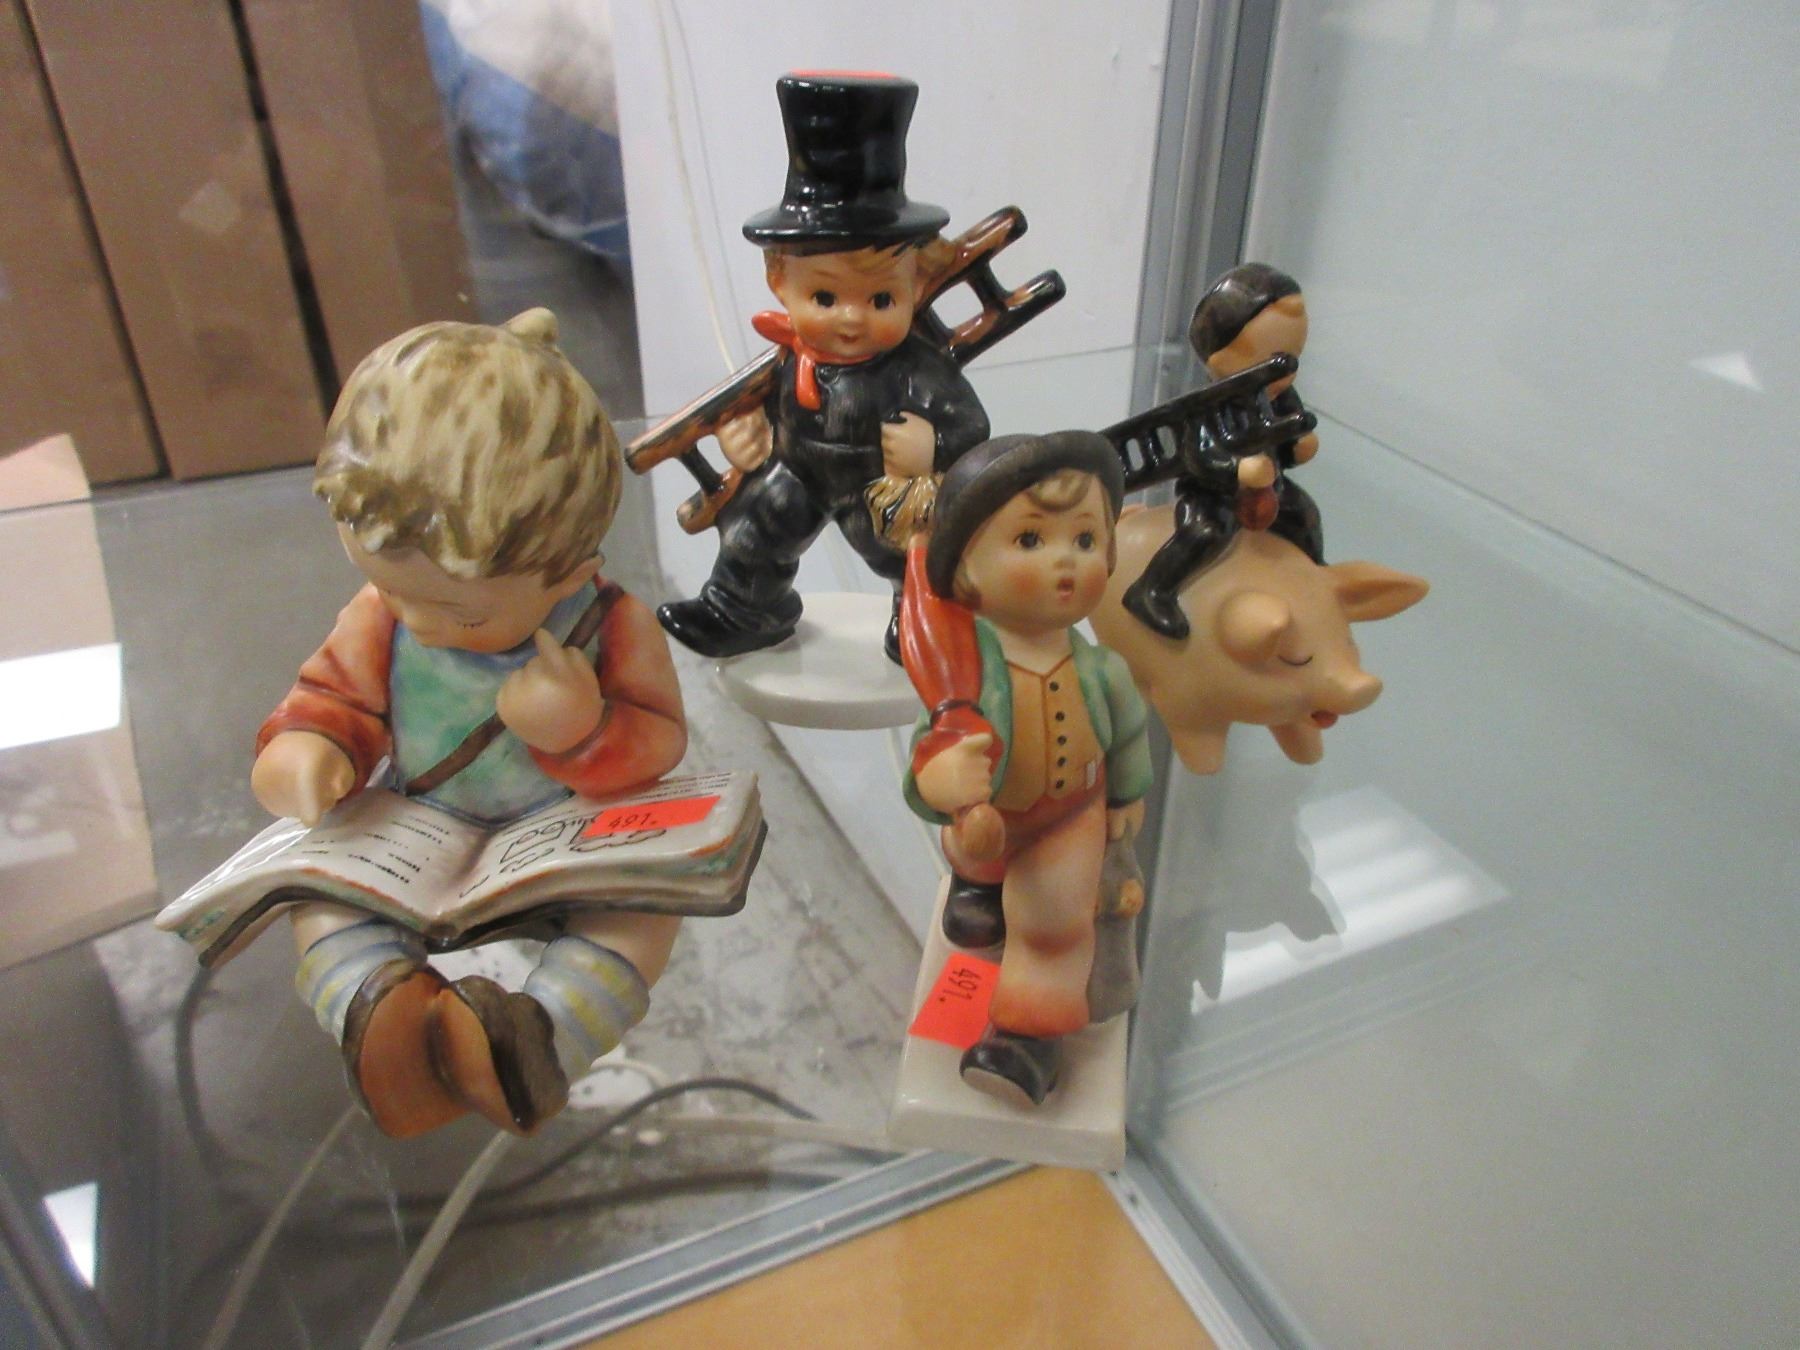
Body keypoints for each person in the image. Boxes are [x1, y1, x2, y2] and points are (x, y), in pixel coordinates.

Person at [250, 309, 689, 1138]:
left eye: (462, 613)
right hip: (421, 830)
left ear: (572, 573)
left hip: (566, 835)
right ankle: (387, 1018)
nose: (419, 622)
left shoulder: (610, 624)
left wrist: (582, 731)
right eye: (394, 591)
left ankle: (536, 1040)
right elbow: (331, 696)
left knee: (641, 914)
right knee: (321, 905)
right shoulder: (383, 616)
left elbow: (660, 738)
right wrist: (311, 747)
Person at [657, 72, 989, 662]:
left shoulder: (916, 368)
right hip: (799, 473)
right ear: (778, 281)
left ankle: (921, 622)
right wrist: (745, 433)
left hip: (879, 485)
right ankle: (744, 610)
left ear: (916, 285)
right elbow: (760, 409)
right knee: (756, 529)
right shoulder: (789, 359)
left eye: (881, 299)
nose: (851, 319)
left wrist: (934, 447)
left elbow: (971, 426)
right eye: (825, 297)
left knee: (908, 552)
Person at [901, 431, 1152, 1105]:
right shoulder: (964, 675)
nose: (1065, 561)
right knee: (977, 854)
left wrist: (1127, 796)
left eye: (1086, 539)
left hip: (1069, 817)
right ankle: (979, 889)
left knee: (1052, 923)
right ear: (965, 569)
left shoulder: (1103, 671)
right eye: (1031, 540)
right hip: (990, 823)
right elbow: (932, 747)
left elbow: (1129, 737)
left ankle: (1026, 1038)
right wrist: (938, 777)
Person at [1121, 263, 1326, 639]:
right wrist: (1237, 471)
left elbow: (1286, 443)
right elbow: (1200, 457)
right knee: (1204, 532)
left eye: (1293, 355)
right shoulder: (1210, 407)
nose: (1285, 371)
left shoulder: (1282, 397)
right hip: (1212, 494)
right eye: (1273, 359)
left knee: (1304, 514)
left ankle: (1317, 572)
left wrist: (1298, 449)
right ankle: (1153, 591)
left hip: (1270, 489)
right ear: (1220, 360)